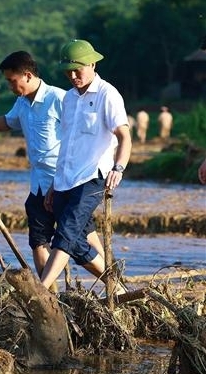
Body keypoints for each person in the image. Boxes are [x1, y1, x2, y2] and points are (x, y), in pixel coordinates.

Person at [0, 51, 104, 281]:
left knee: (77, 239)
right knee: (38, 239)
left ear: (26, 75)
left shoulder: (60, 99)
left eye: (11, 81)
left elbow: (80, 137)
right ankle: (49, 299)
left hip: (65, 182)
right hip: (38, 184)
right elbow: (6, 122)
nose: (9, 86)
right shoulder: (22, 102)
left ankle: (113, 283)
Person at [40, 39, 132, 291]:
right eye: (67, 71)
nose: (72, 76)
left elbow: (124, 136)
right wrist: (53, 184)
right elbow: (66, 145)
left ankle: (39, 290)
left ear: (92, 64)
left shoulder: (107, 94)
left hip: (93, 177)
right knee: (76, 243)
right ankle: (118, 288)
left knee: (66, 234)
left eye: (77, 70)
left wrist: (118, 168)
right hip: (65, 179)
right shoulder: (68, 98)